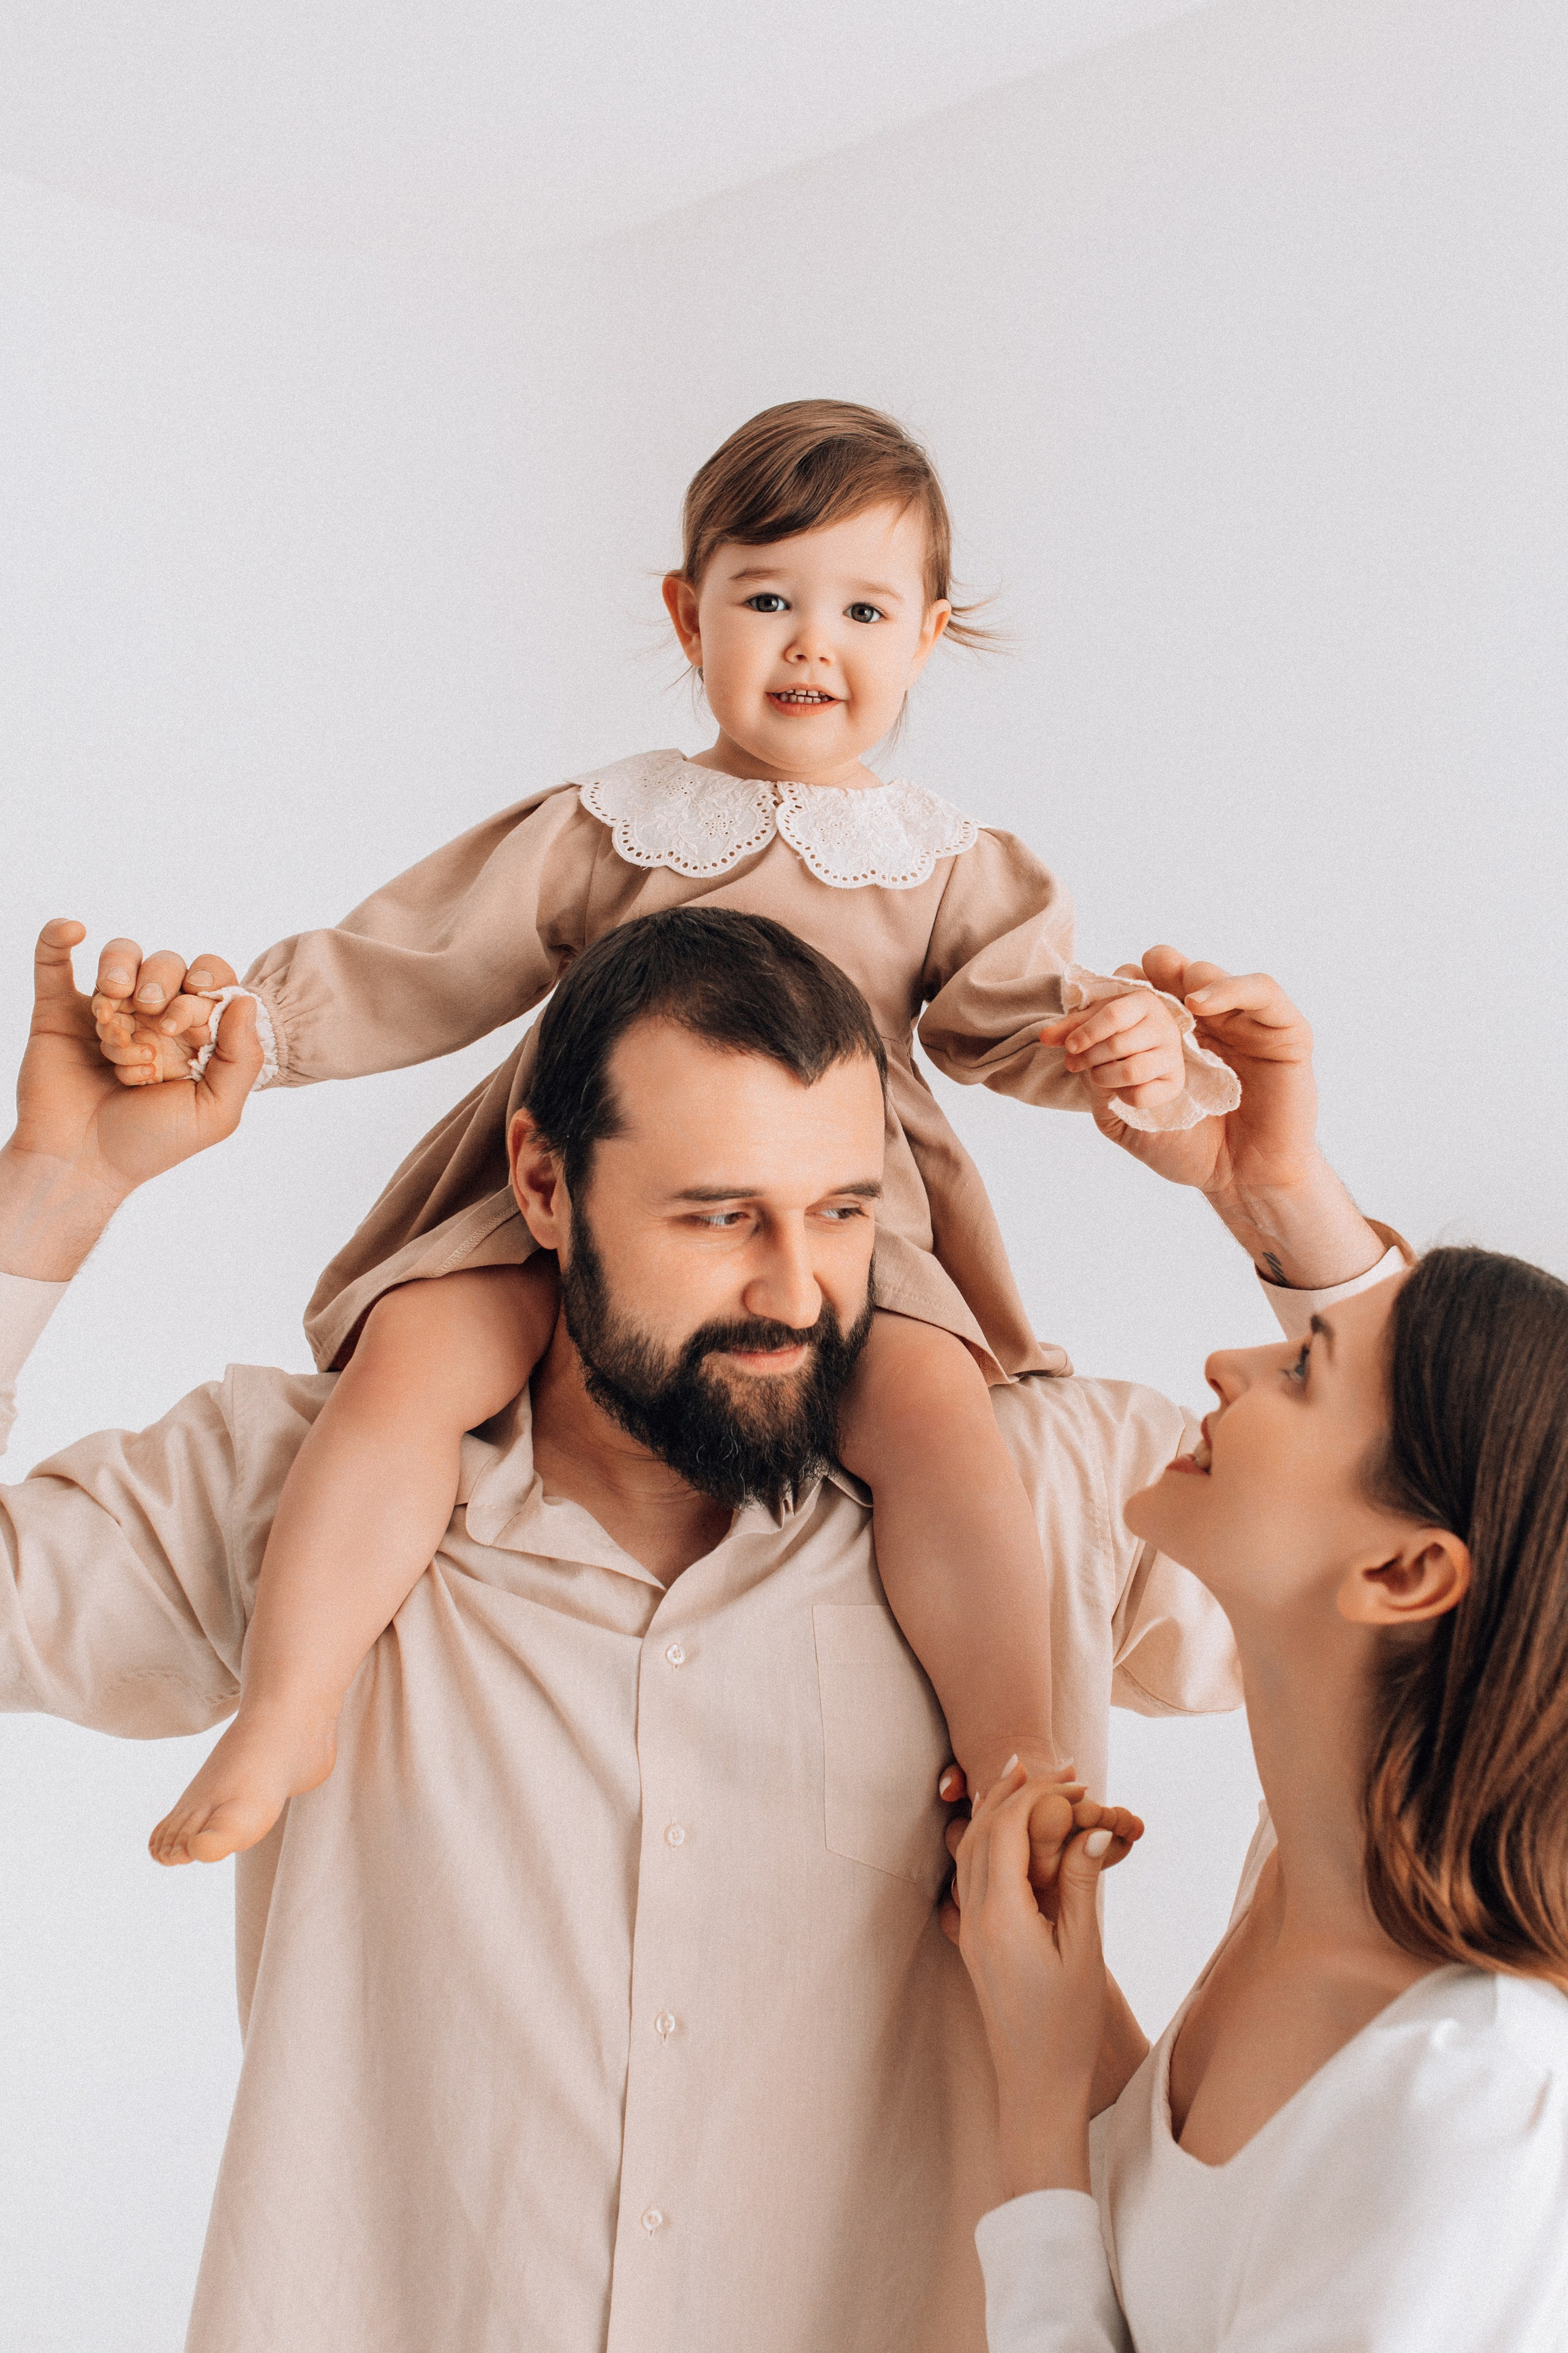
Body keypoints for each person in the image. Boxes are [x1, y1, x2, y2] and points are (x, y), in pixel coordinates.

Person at [2, 910, 1393, 2350]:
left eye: (841, 1213)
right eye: (719, 1216)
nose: (795, 1291)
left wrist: (1280, 1199)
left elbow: (1476, 1579)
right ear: (543, 1181)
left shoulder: (1051, 1496)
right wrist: (52, 1192)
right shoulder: (292, 1494)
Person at [88, 396, 1248, 1868]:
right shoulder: (619, 821)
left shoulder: (937, 857)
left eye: (861, 609)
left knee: (943, 1428)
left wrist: (1116, 1048)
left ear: (927, 637)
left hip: (842, 1211)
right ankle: (287, 1703)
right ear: (687, 615)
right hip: (588, 1178)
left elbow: (1010, 1020)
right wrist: (236, 1024)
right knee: (411, 1365)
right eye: (766, 598)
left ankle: (1021, 1748)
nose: (810, 643)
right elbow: (427, 957)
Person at [951, 1258, 1568, 2349]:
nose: (1226, 1363)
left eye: (1299, 1370)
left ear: (1403, 1572)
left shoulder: (1465, 2106)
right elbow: (1196, 2263)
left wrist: (1040, 2114)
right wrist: (1075, 2023)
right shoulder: (1303, 1878)